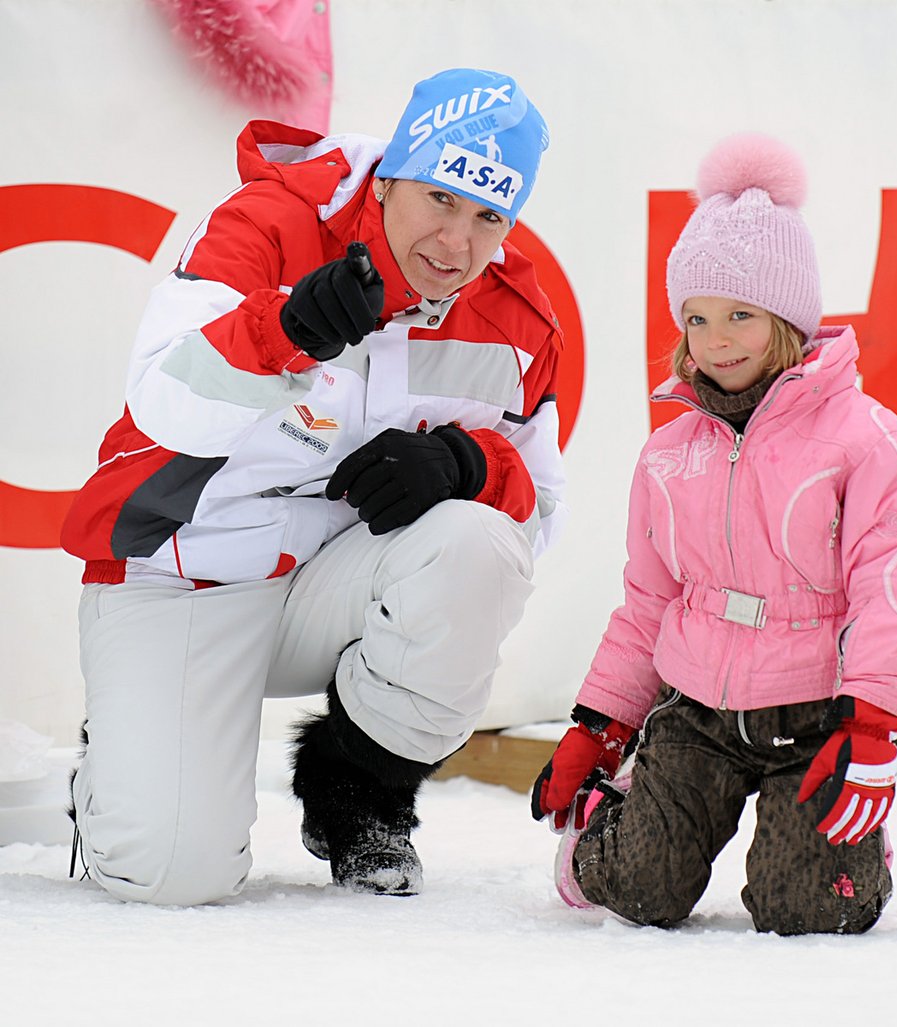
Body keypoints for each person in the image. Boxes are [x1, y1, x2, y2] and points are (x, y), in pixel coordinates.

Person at [60, 67, 566, 906]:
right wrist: (282, 331)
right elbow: (162, 408)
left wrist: (470, 466)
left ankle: (357, 796)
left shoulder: (513, 313)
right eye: (440, 199)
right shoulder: (272, 221)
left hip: (335, 590)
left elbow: (534, 521)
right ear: (393, 175)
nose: (457, 244)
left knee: (478, 546)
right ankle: (115, 767)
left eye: (489, 216)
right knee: (168, 873)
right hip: (185, 574)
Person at [530, 134, 897, 935]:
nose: (715, 338)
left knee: (810, 912)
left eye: (739, 315)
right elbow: (647, 603)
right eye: (696, 317)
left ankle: (855, 856)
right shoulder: (668, 454)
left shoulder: (866, 440)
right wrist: (599, 725)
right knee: (637, 891)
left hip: (817, 716)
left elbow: (896, 584)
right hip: (697, 712)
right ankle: (620, 815)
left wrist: (872, 721)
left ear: (788, 317)